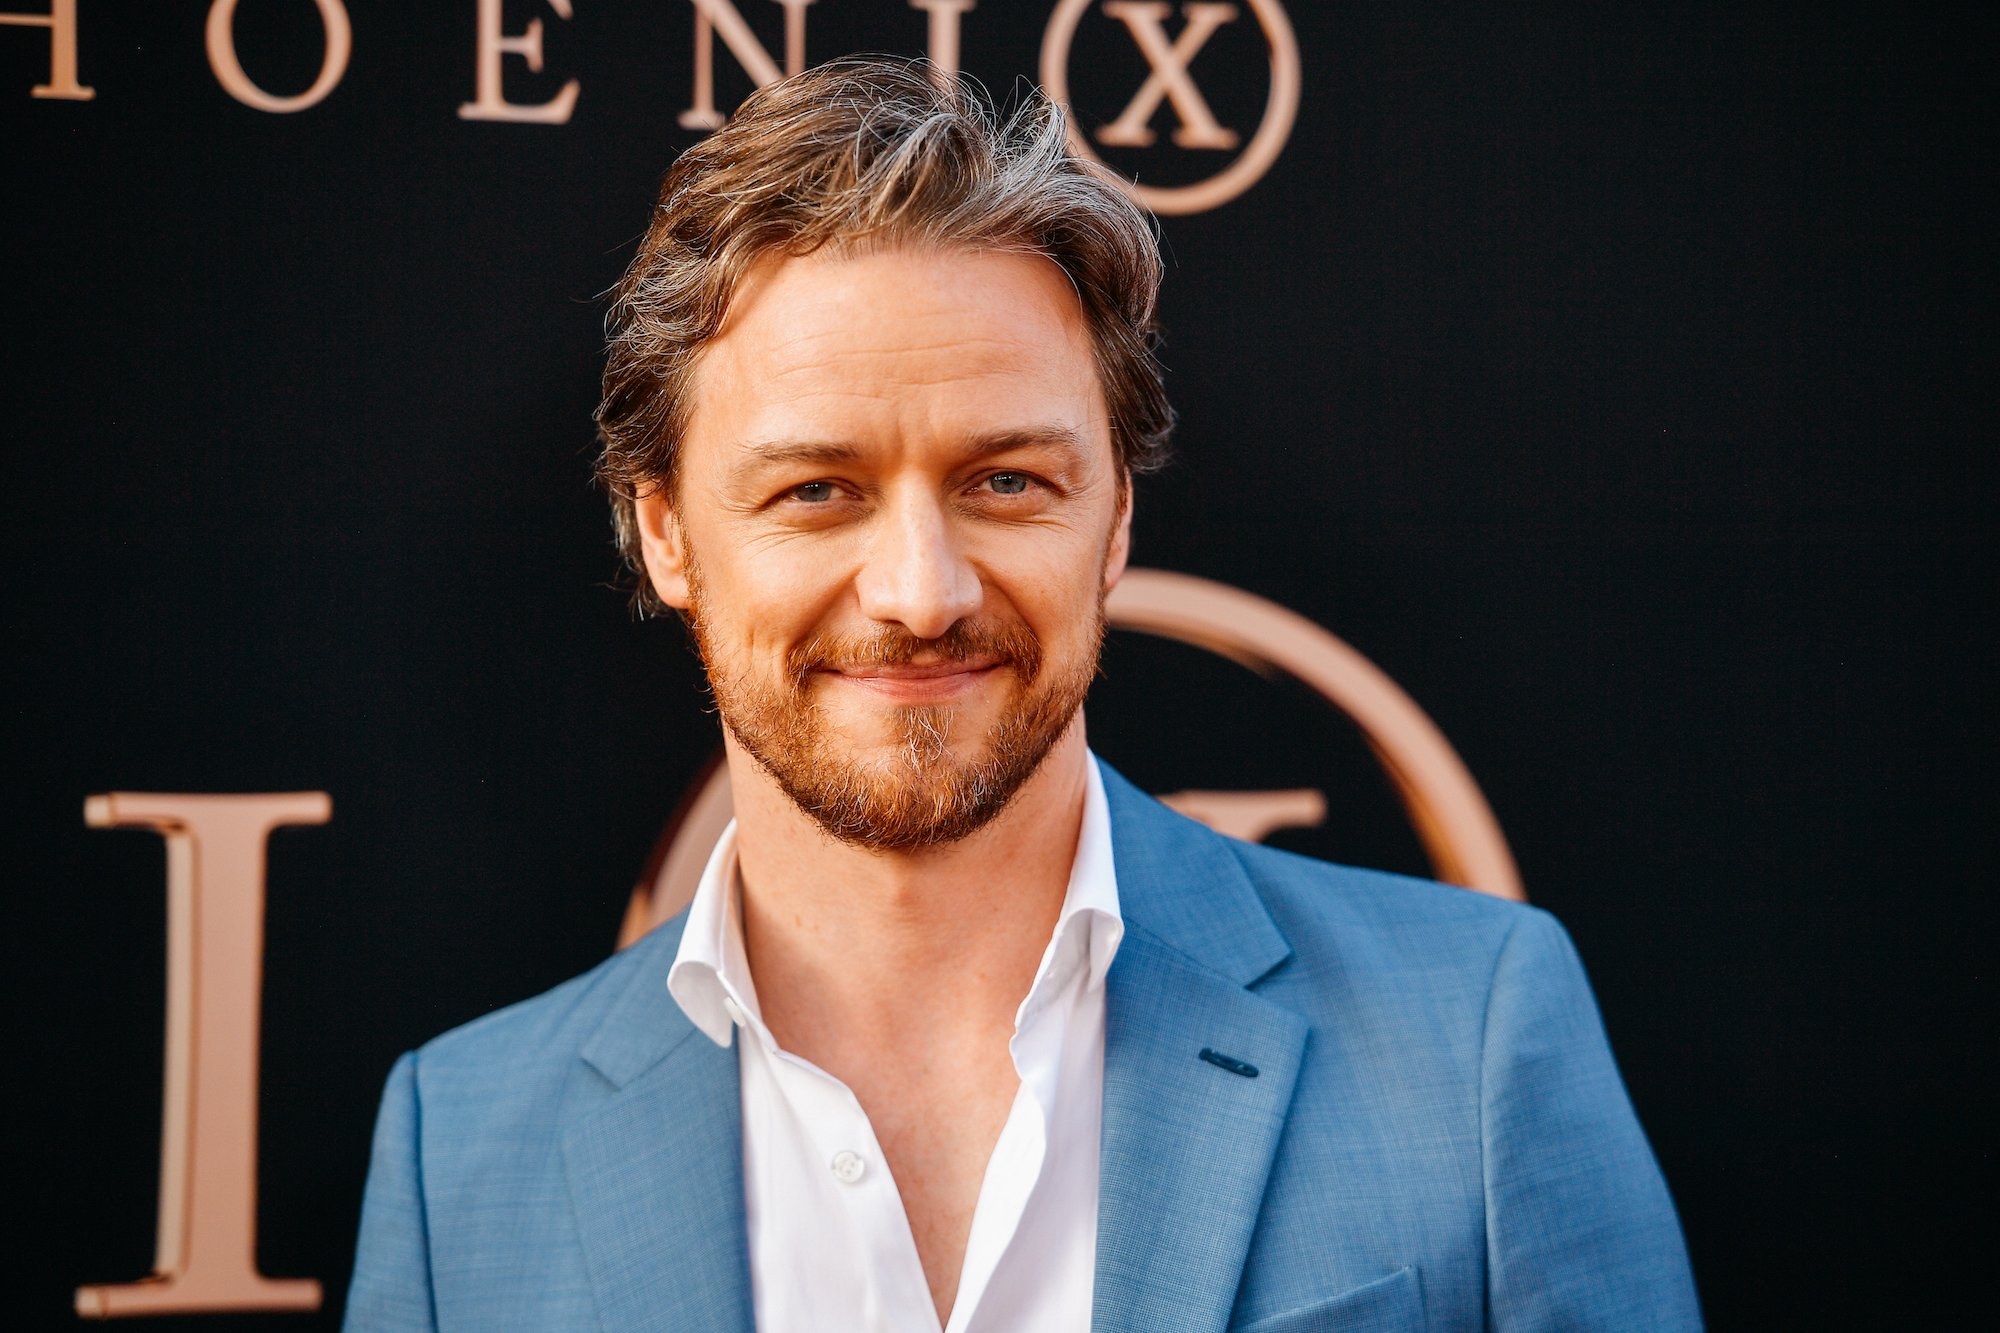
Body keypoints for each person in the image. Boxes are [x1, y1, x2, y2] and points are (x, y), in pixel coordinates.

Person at [344, 57, 1701, 1333]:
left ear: (1113, 517)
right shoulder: (458, 1152)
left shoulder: (1473, 1038)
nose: (922, 590)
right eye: (817, 491)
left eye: (1006, 481)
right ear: (666, 534)